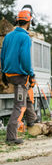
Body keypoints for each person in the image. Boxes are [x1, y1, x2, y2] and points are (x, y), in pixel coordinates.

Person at [1, 8, 37, 145]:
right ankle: (11, 137)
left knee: (27, 97)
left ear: (17, 20)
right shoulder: (25, 37)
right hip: (20, 75)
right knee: (19, 105)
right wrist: (31, 74)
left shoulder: (9, 36)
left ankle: (32, 120)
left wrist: (4, 73)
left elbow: (2, 56)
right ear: (29, 22)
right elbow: (25, 59)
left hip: (9, 74)